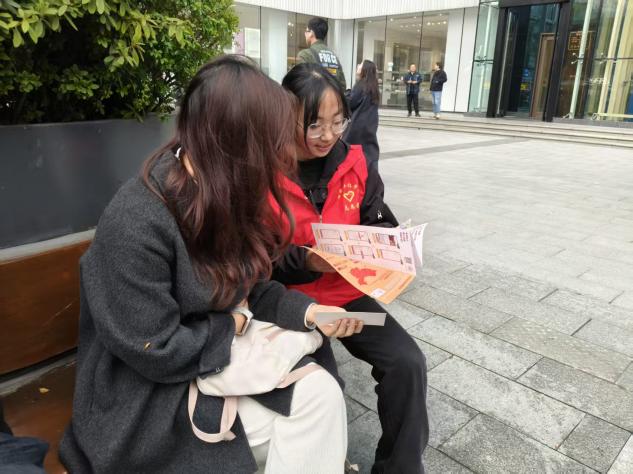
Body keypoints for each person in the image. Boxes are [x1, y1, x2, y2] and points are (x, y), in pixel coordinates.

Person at [58, 55, 363, 474]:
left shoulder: (223, 190)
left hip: (205, 367)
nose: (283, 157)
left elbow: (249, 284)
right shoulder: (137, 219)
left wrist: (309, 312)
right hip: (147, 399)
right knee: (313, 413)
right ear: (235, 144)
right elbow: (153, 348)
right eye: (273, 143)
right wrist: (231, 325)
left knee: (322, 397)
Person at [275, 63, 429, 474]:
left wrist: (389, 245)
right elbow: (256, 260)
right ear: (286, 116)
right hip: (293, 305)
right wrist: (306, 259)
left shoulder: (355, 163)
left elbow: (377, 220)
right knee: (324, 387)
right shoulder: (263, 174)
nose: (328, 135)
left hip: (348, 295)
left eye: (337, 121)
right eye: (314, 124)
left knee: (407, 364)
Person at [345, 60, 380, 172]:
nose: (358, 65)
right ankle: (371, 171)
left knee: (350, 148)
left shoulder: (360, 85)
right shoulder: (373, 86)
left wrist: (347, 93)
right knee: (368, 149)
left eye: (360, 64)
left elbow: (351, 103)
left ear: (364, 69)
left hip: (358, 124)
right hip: (370, 124)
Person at [297, 17, 347, 90]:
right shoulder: (334, 56)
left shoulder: (305, 54)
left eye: (306, 31)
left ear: (311, 33)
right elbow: (343, 85)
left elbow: (300, 84)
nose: (305, 34)